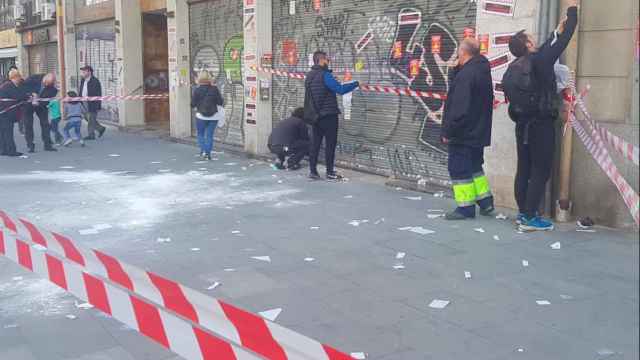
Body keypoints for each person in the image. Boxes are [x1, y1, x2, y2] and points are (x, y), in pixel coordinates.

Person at [504, 2, 578, 231]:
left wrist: (556, 30)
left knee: (524, 167)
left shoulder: (515, 66)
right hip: (541, 125)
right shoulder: (541, 61)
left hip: (522, 124)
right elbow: (563, 42)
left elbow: (549, 45)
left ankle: (522, 212)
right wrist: (573, 12)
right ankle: (529, 217)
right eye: (530, 38)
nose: (534, 39)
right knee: (541, 169)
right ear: (528, 44)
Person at [441, 38, 495, 220]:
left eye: (458, 51)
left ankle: (465, 208)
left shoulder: (466, 75)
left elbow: (459, 108)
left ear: (463, 53)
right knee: (474, 167)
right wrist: (456, 69)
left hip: (463, 133)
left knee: (459, 169)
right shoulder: (480, 69)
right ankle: (486, 201)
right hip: (477, 131)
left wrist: (449, 132)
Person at [305, 51, 359, 180]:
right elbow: (340, 90)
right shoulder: (325, 75)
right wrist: (355, 83)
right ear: (321, 60)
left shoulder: (309, 76)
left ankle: (313, 171)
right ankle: (329, 172)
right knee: (330, 144)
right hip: (329, 116)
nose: (328, 62)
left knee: (315, 144)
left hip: (315, 116)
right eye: (327, 60)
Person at [191, 70, 224, 160]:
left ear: (199, 78)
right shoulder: (214, 89)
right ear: (209, 78)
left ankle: (204, 151)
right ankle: (207, 154)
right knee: (209, 135)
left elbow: (192, 104)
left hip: (200, 116)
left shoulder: (197, 90)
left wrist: (197, 105)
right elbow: (220, 102)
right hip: (214, 117)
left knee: (200, 134)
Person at [21, 73, 57, 152]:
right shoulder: (33, 78)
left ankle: (47, 145)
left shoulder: (52, 88)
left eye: (49, 84)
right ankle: (30, 145)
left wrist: (39, 102)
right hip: (28, 105)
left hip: (41, 106)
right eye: (45, 83)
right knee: (28, 124)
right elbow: (23, 87)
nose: (46, 85)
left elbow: (50, 98)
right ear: (44, 78)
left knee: (45, 124)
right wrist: (31, 94)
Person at [0, 69, 28, 157]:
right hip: (6, 113)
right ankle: (11, 151)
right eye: (19, 77)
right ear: (15, 77)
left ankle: (3, 150)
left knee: (3, 132)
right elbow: (19, 96)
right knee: (8, 132)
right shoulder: (8, 86)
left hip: (4, 112)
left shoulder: (7, 85)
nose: (20, 79)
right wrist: (28, 96)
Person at [79, 65, 106, 140]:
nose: (83, 73)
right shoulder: (82, 80)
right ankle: (100, 128)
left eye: (84, 71)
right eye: (82, 71)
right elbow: (81, 90)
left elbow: (97, 93)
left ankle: (91, 135)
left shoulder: (95, 81)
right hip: (83, 102)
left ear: (89, 72)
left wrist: (97, 104)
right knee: (87, 117)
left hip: (92, 103)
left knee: (91, 118)